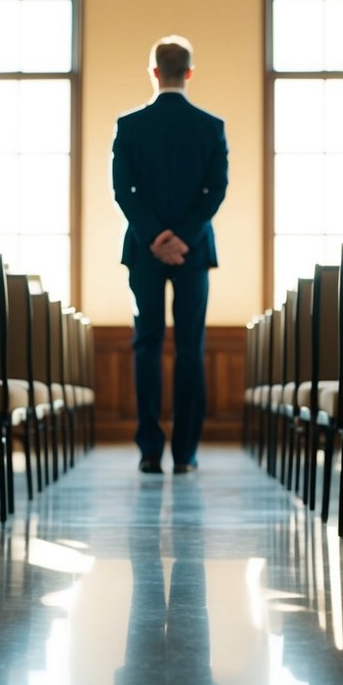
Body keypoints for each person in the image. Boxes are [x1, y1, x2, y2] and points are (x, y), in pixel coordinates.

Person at [112, 36, 228, 475]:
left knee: (146, 344)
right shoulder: (210, 126)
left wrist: (155, 236)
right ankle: (185, 454)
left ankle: (148, 451)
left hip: (144, 251)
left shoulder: (130, 125)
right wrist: (182, 236)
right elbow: (214, 190)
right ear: (190, 73)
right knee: (190, 348)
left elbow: (125, 191)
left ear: (155, 72)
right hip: (194, 252)